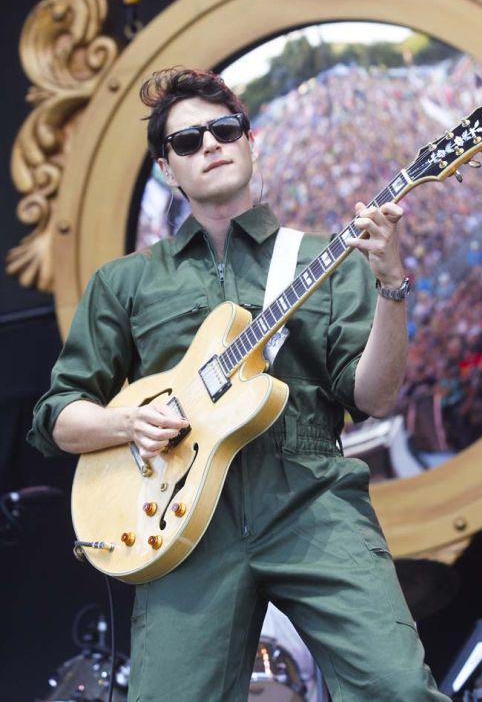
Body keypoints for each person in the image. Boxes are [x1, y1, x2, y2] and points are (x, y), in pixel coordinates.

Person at [28, 68, 450, 701]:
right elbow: (56, 416)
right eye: (187, 141)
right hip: (183, 519)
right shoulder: (126, 282)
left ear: (251, 141)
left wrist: (390, 285)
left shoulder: (319, 260)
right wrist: (127, 423)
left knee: (398, 688)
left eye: (223, 130)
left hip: (309, 499)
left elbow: (374, 397)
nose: (210, 146)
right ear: (167, 169)